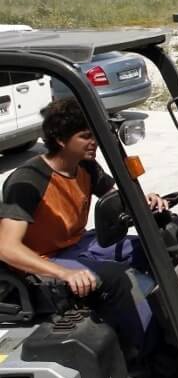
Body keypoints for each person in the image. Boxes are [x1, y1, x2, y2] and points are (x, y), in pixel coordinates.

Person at [0, 98, 166, 358]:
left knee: (151, 245)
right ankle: (154, 355)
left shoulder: (86, 166)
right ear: (61, 140)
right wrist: (64, 273)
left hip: (78, 244)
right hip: (45, 260)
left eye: (94, 135)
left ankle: (173, 319)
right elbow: (6, 248)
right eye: (85, 136)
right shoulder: (28, 181)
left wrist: (143, 199)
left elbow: (115, 198)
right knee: (119, 279)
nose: (94, 143)